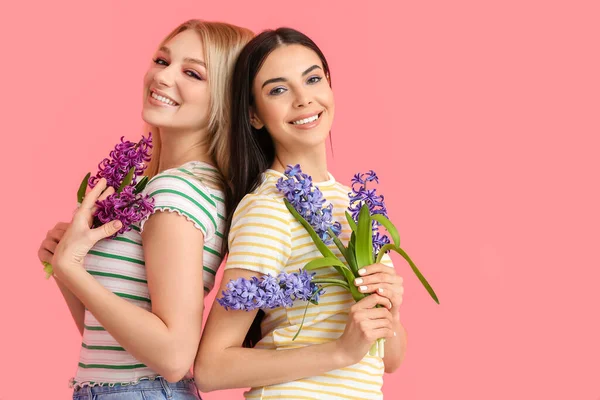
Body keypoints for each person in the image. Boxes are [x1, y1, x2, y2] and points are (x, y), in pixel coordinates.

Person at [37, 19, 253, 399]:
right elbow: (115, 342)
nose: (163, 77)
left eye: (192, 73)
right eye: (161, 60)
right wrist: (65, 269)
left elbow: (172, 355)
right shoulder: (163, 187)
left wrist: (74, 270)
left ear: (226, 98)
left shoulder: (178, 191)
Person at [195, 28, 407, 399]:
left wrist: (389, 308)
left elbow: (388, 359)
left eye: (312, 79)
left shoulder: (354, 205)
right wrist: (339, 351)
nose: (303, 99)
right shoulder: (269, 207)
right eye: (278, 90)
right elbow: (211, 368)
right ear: (254, 116)